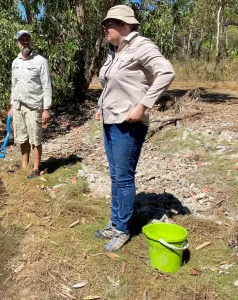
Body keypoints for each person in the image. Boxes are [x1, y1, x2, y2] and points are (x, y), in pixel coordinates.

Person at [94, 5, 175, 251]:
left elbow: (166, 72)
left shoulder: (142, 46)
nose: (105, 29)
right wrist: (100, 105)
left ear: (124, 25)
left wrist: (142, 106)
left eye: (109, 24)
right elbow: (111, 83)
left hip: (128, 125)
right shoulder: (115, 52)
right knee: (115, 177)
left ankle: (122, 229)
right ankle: (115, 221)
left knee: (124, 178)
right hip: (110, 121)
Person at [8, 30, 52, 178]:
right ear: (17, 44)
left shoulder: (40, 61)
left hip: (35, 107)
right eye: (22, 40)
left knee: (35, 139)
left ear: (31, 41)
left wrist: (46, 108)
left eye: (27, 39)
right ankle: (24, 165)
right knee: (22, 138)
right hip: (18, 106)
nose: (25, 42)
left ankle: (35, 168)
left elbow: (46, 86)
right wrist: (12, 106)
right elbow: (14, 85)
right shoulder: (15, 62)